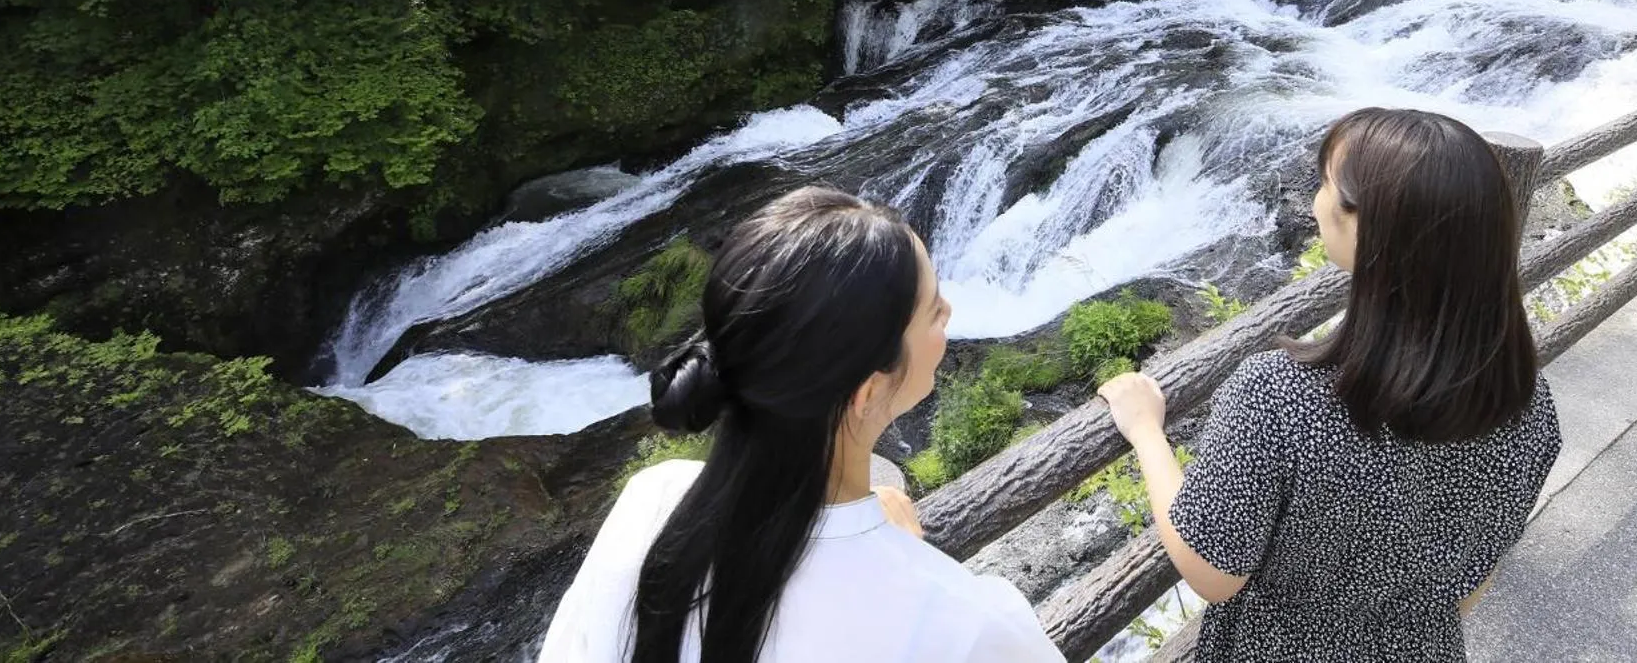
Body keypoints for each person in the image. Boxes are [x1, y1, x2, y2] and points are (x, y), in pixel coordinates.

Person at [1100, 107, 1562, 662]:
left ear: (1367, 225)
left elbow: (1212, 573)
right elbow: (1467, 591)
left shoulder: (1278, 394)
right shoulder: (1529, 407)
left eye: (1326, 184)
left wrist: (1146, 432)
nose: (1317, 200)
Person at [538, 186, 1061, 663]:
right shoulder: (970, 628)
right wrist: (891, 552)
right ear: (867, 392)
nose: (948, 310)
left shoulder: (648, 502)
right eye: (933, 311)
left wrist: (876, 541)